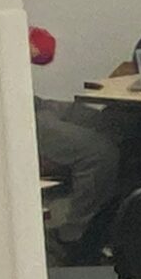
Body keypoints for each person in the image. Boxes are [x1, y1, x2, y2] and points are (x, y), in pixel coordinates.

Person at [30, 25, 124, 264]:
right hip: (10, 114)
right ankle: (73, 238)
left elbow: (44, 49)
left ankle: (111, 234)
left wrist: (23, 44)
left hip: (34, 103)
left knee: (115, 125)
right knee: (98, 154)